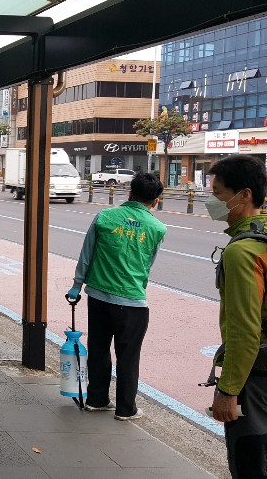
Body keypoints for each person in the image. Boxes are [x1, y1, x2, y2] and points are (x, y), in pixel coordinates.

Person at [206, 155, 267, 478]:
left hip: (257, 376)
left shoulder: (242, 252)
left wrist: (228, 390)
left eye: (218, 194)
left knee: (249, 464)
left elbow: (245, 332)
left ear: (244, 195)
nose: (212, 202)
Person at [67, 172, 166, 420]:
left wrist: (77, 286)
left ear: (129, 193)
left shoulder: (105, 217)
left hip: (98, 296)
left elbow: (86, 253)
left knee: (99, 349)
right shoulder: (157, 228)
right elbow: (147, 266)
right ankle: (125, 409)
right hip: (132, 302)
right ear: (155, 201)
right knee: (128, 358)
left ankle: (97, 400)